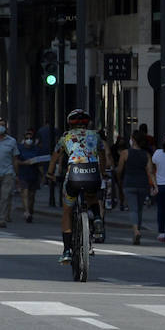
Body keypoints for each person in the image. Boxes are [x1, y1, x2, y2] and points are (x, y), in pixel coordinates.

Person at [46, 108, 110, 264]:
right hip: (92, 174)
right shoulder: (96, 136)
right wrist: (103, 172)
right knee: (92, 196)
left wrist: (49, 174)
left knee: (67, 211)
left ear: (70, 123)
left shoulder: (65, 137)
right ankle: (97, 218)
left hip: (74, 175)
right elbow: (103, 157)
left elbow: (54, 158)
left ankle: (67, 251)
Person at [116, 130, 152, 245]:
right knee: (139, 209)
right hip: (143, 184)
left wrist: (119, 179)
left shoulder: (125, 153)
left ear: (133, 140)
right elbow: (150, 171)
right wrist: (154, 185)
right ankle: (138, 231)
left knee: (133, 209)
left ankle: (136, 231)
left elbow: (119, 169)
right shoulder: (146, 154)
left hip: (129, 183)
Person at [15, 129, 42, 223]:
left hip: (34, 174)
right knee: (25, 193)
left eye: (30, 138)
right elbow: (16, 161)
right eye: (27, 138)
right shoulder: (20, 148)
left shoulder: (36, 149)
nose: (29, 140)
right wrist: (24, 163)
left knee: (32, 195)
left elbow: (40, 162)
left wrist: (42, 174)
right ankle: (27, 212)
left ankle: (30, 210)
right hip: (23, 174)